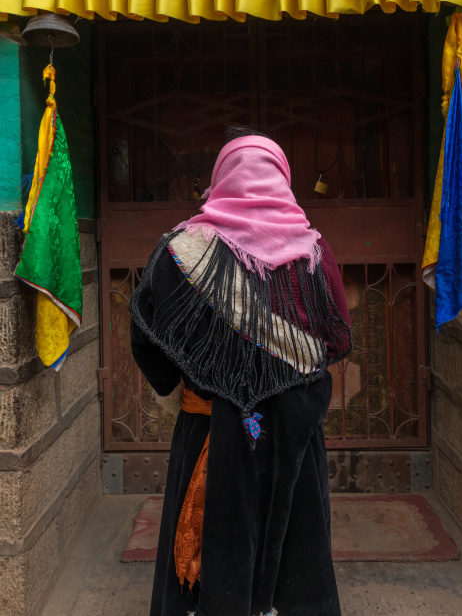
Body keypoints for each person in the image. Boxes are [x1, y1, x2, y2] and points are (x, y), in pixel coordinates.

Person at [130, 127, 353, 616]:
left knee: (213, 554)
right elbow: (335, 339)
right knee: (295, 554)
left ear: (220, 178)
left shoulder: (179, 253)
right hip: (292, 435)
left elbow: (146, 333)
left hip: (209, 433)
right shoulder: (316, 255)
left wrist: (190, 380)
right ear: (283, 178)